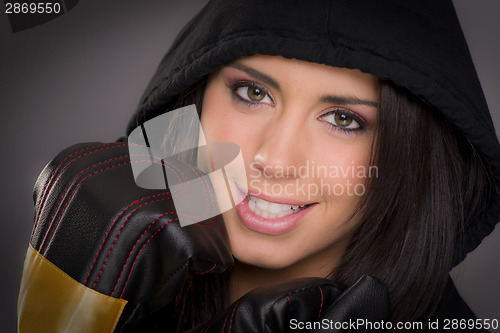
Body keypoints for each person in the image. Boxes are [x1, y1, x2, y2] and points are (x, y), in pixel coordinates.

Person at [18, 0, 500, 332]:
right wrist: (65, 307)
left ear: (416, 160)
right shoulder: (114, 255)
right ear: (191, 102)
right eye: (253, 93)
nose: (274, 159)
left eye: (343, 119)